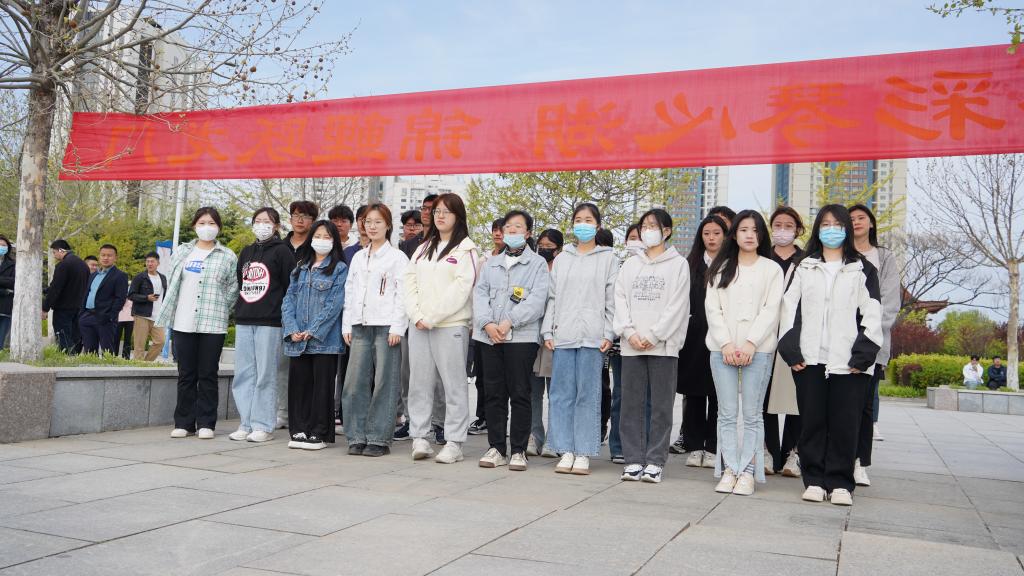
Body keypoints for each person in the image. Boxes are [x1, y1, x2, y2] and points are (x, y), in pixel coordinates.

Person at [779, 204, 883, 507]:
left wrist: (863, 355)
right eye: (825, 224)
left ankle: (840, 483)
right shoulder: (804, 266)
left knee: (845, 424)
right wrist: (791, 350)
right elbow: (788, 309)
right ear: (817, 229)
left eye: (838, 224)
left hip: (849, 363)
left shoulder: (863, 268)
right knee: (811, 421)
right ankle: (813, 480)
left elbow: (872, 313)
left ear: (847, 229)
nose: (832, 230)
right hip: (809, 359)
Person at [705, 211, 783, 496]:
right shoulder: (720, 268)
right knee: (726, 413)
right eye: (743, 229)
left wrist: (751, 343)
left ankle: (748, 471)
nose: (749, 235)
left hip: (758, 351)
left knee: (752, 414)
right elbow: (713, 309)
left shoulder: (772, 270)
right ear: (734, 234)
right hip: (721, 350)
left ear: (761, 235)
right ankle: (729, 469)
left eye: (755, 230)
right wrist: (726, 344)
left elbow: (771, 310)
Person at [614, 208, 689, 484]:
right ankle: (633, 459)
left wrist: (656, 335)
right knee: (630, 404)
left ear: (666, 231)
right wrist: (629, 332)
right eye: (644, 226)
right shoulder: (630, 265)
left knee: (661, 406)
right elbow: (619, 299)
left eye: (653, 226)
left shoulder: (678, 264)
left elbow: (678, 306)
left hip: (663, 346)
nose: (647, 231)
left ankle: (655, 461)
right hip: (632, 345)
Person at [403, 193, 480, 464]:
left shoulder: (467, 250)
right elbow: (408, 282)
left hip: (450, 325)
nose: (440, 216)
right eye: (437, 211)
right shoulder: (423, 248)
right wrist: (416, 315)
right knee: (419, 383)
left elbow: (462, 288)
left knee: (453, 385)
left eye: (446, 211)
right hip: (419, 325)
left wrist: (433, 317)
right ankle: (420, 437)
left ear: (458, 216)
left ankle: (454, 442)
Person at [542, 203, 617, 476]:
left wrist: (609, 333)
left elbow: (611, 299)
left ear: (597, 226)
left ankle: (583, 451)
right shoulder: (563, 258)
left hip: (593, 337)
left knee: (588, 393)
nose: (582, 224)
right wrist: (548, 331)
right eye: (578, 220)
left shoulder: (609, 258)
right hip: (563, 334)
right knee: (561, 394)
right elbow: (552, 297)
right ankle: (565, 448)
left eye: (588, 220)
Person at [474, 210, 549, 471]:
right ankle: (496, 447)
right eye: (508, 227)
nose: (512, 231)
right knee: (493, 393)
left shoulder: (537, 264)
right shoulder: (491, 263)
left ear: (528, 233)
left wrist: (508, 322)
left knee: (519, 393)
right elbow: (479, 295)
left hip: (521, 338)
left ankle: (518, 450)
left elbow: (537, 300)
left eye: (518, 227)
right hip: (489, 337)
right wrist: (487, 323)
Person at [157, 207, 238, 439]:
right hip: (183, 321)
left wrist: (221, 308)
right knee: (186, 373)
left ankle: (206, 423)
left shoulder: (228, 256)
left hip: (213, 323)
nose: (207, 227)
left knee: (208, 374)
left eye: (212, 223)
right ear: (194, 225)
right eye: (202, 223)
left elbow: (233, 288)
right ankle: (184, 422)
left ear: (218, 227)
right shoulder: (183, 252)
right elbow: (173, 283)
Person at [341, 203, 409, 457]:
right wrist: (347, 324)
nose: (372, 226)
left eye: (378, 222)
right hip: (359, 325)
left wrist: (397, 327)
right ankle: (356, 436)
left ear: (388, 225)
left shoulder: (397, 258)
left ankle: (379, 438)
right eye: (368, 222)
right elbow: (350, 292)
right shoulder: (358, 257)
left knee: (385, 383)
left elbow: (402, 295)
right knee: (354, 383)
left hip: (386, 327)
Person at [230, 207, 295, 443]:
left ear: (276, 226)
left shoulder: (283, 251)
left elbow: (290, 286)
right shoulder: (247, 252)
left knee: (265, 374)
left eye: (267, 221)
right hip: (245, 318)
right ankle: (245, 422)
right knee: (244, 374)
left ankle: (263, 424)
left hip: (270, 321)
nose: (262, 225)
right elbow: (242, 282)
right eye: (258, 220)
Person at [282, 220, 348, 450]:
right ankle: (298, 429)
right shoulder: (300, 268)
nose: (321, 240)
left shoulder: (340, 268)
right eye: (317, 236)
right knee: (299, 386)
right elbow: (288, 300)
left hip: (324, 341)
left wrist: (313, 330)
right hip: (297, 339)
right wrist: (292, 329)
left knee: (322, 388)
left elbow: (335, 304)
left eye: (327, 237)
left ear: (334, 241)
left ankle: (318, 432)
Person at [849, 204, 900, 487]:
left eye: (861, 218)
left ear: (871, 223)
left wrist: (870, 334)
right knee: (838, 406)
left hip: (872, 343)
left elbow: (890, 301)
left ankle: (859, 463)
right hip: (839, 342)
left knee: (865, 407)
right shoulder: (840, 254)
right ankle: (837, 458)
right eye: (851, 218)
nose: (856, 222)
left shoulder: (884, 257)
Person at [676, 215, 728, 467]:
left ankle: (713, 446)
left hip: (722, 337)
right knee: (694, 394)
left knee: (719, 394)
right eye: (707, 233)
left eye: (717, 233)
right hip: (693, 336)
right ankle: (694, 446)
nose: (711, 238)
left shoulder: (732, 264)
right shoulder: (690, 264)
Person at [765, 207, 805, 477]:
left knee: (796, 396)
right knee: (764, 394)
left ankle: (794, 452)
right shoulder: (762, 258)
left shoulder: (807, 261)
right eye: (777, 225)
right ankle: (768, 451)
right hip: (765, 334)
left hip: (795, 335)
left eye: (788, 225)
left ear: (798, 230)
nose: (782, 230)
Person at [278, 200, 319, 429]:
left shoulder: (316, 249)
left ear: (313, 221)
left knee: (305, 369)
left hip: (308, 317)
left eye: (305, 216)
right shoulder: (280, 246)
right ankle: (282, 412)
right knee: (282, 366)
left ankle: (304, 414)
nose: (300, 220)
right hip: (281, 314)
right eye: (296, 215)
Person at [469, 217, 507, 437]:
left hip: (507, 328)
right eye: (494, 230)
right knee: (482, 377)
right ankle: (483, 417)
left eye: (501, 230)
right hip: (483, 327)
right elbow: (477, 293)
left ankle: (502, 421)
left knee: (506, 381)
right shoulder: (484, 260)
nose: (497, 233)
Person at [609, 224, 642, 464]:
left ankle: (642, 444)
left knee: (646, 398)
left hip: (649, 341)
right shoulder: (619, 267)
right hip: (622, 342)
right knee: (621, 395)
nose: (636, 242)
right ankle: (618, 445)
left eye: (640, 237)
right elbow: (615, 303)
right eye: (632, 238)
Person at [529, 228, 563, 459]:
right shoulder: (533, 267)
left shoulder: (563, 269)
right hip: (532, 335)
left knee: (556, 392)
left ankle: (554, 438)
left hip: (555, 337)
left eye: (549, 246)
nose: (544, 249)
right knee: (532, 391)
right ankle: (534, 436)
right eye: (541, 245)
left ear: (558, 249)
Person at [79, 244, 128, 355]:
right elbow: (86, 294)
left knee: (107, 352)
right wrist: (81, 314)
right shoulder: (93, 275)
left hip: (105, 319)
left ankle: (109, 367)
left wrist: (110, 317)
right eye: (103, 255)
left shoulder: (120, 276)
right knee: (89, 352)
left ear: (115, 258)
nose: (106, 258)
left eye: (109, 255)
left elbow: (120, 299)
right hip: (87, 316)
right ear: (99, 256)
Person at [42, 240, 90, 353]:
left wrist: (45, 308)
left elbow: (56, 288)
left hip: (63, 307)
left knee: (63, 335)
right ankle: (74, 356)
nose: (54, 255)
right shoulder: (83, 265)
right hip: (78, 306)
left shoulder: (63, 265)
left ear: (61, 250)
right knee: (74, 336)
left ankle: (68, 357)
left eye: (54, 252)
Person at [128, 252, 167, 361]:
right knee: (139, 346)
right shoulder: (140, 277)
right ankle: (138, 367)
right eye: (147, 261)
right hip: (142, 315)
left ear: (158, 263)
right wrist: (146, 298)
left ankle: (146, 363)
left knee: (160, 341)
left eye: (152, 261)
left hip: (157, 316)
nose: (149, 264)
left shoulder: (163, 278)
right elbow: (131, 295)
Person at [400, 194, 438, 259]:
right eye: (424, 208)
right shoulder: (407, 245)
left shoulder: (445, 240)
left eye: (431, 209)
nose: (426, 212)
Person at [0, 235, 14, 350]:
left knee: (1, 340)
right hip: (5, 295)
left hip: (5, 307)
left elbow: (14, 282)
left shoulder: (13, 264)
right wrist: (4, 291)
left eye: (3, 245)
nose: (1, 247)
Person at [114, 288, 134, 358]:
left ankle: (126, 357)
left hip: (131, 318)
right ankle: (114, 355)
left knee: (128, 339)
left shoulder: (133, 292)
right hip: (119, 318)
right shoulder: (120, 291)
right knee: (116, 338)